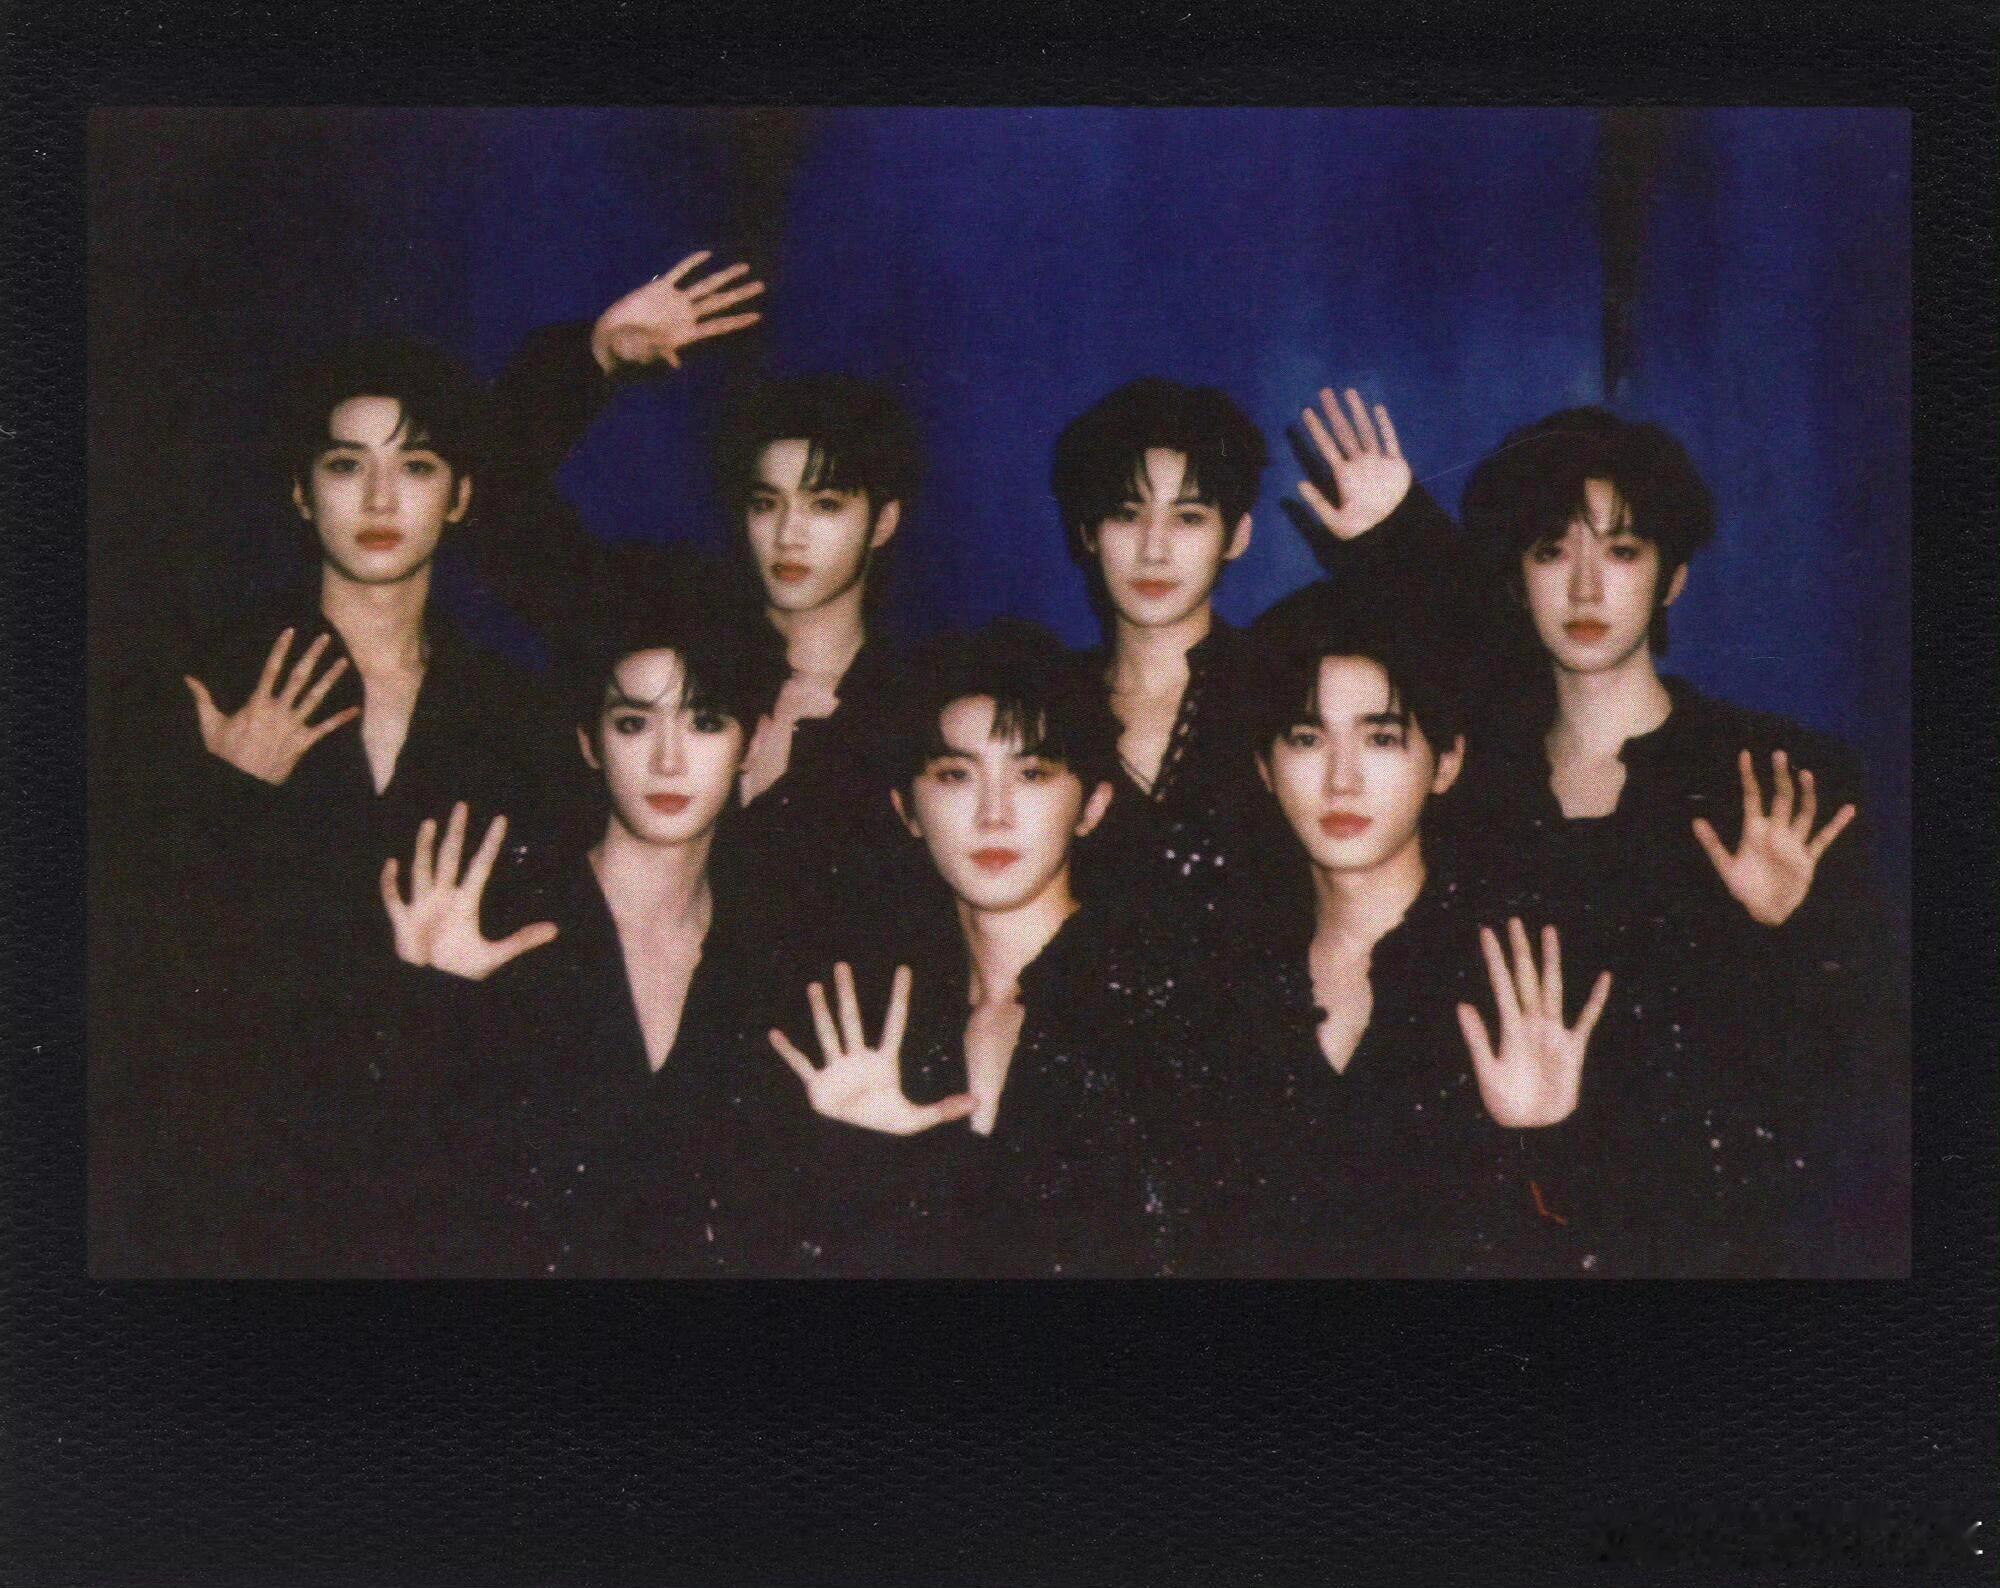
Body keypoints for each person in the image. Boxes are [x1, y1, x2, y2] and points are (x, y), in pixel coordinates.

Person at [1278, 396, 1904, 1274]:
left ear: (1671, 577)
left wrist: (1788, 930)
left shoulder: (1769, 782)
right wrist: (1395, 528)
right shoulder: (1468, 782)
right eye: (1550, 552)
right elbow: (1463, 643)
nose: (1583, 588)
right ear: (1517, 575)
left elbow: (1864, 1082)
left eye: (1622, 551)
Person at [92, 334, 576, 1274]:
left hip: (440, 1197)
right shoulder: (210, 677)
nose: (382, 500)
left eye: (417, 466)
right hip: (233, 1200)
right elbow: (132, 986)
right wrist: (227, 792)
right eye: (347, 465)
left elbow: (540, 997)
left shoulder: (514, 714)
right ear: (301, 492)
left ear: (460, 496)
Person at [1154, 588, 1615, 1276]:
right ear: (1264, 768)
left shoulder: (1526, 973)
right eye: (1307, 739)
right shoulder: (1216, 976)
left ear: (1446, 763)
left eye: (1380, 738)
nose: (1341, 780)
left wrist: (1543, 1139)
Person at [371, 573, 812, 1276]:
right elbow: (405, 1205)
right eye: (633, 724)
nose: (668, 761)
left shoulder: (774, 953)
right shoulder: (495, 924)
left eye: (704, 722)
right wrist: (427, 999)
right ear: (589, 742)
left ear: (752, 745)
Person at [475, 257, 924, 922]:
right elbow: (488, 505)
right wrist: (595, 357)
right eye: (767, 503)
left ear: (882, 522)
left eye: (825, 505)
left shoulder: (918, 712)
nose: (789, 534)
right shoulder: (662, 625)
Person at [766, 619, 1173, 1277]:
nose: (994, 813)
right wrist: (864, 1157)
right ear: (907, 810)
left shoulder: (1167, 1003)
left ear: (1094, 806)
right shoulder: (875, 1027)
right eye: (956, 776)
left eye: (1031, 774)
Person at [1049, 379, 1426, 936]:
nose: (1154, 549)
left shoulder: (1287, 682)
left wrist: (1400, 531)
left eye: (1189, 517)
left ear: (1237, 535)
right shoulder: (1047, 705)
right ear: (1089, 534)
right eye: (1127, 514)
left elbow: (1492, 668)